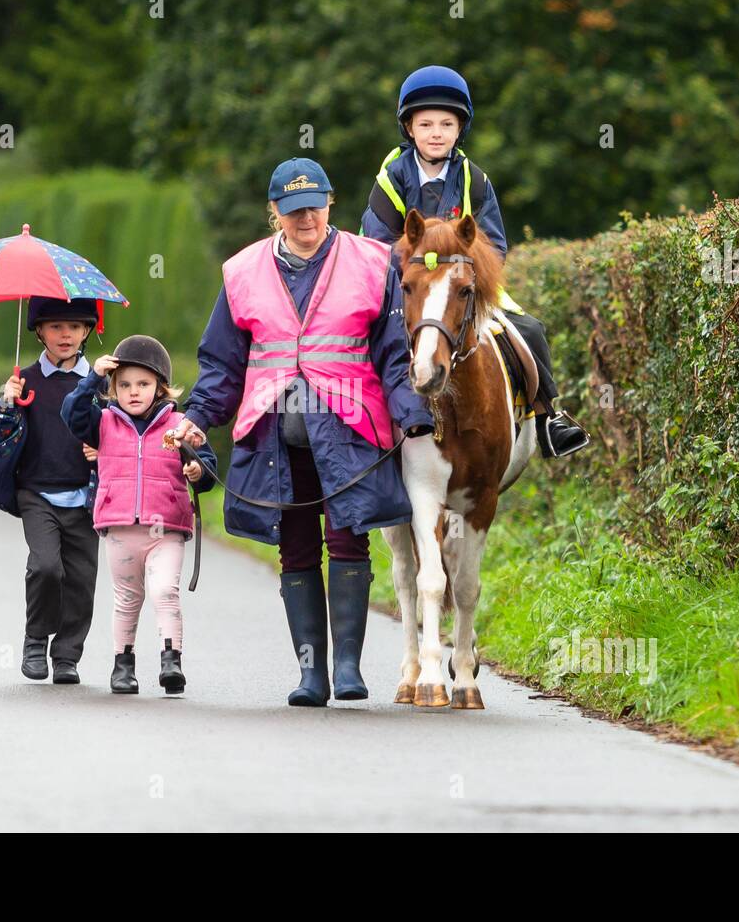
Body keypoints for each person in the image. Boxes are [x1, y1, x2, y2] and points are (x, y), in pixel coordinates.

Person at [171, 157, 434, 707]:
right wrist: (196, 417)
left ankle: (347, 668)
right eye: (292, 211)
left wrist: (410, 410)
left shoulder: (372, 260)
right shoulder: (242, 271)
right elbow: (222, 364)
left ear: (330, 202)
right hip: (274, 435)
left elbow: (392, 352)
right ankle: (311, 674)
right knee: (294, 548)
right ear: (275, 213)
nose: (305, 219)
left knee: (347, 536)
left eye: (313, 207)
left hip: (349, 428)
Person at [360, 64, 591, 458]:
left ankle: (549, 417)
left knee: (530, 329)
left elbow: (494, 245)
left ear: (459, 130)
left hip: (461, 288)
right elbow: (376, 245)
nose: (436, 133)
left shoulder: (476, 180)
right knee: (365, 343)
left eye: (446, 125)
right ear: (409, 128)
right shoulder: (390, 181)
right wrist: (415, 281)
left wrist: (464, 278)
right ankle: (359, 426)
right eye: (427, 124)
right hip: (407, 289)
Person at [61, 335, 217, 696]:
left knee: (165, 590)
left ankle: (171, 660)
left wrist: (198, 471)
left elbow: (207, 464)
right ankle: (123, 664)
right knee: (127, 598)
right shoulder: (102, 423)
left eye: (144, 384)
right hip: (120, 527)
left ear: (160, 387)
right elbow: (70, 413)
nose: (134, 392)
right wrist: (92, 379)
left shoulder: (180, 424)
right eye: (125, 385)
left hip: (168, 528)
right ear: (113, 388)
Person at [0, 296, 101, 685]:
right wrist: (7, 403)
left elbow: (119, 432)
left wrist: (101, 448)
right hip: (37, 492)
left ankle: (68, 655)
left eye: (74, 326)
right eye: (55, 326)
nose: (66, 334)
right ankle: (36, 638)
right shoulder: (24, 382)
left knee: (81, 580)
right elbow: (1, 434)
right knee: (46, 567)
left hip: (86, 496)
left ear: (87, 330)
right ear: (38, 331)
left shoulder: (101, 384)